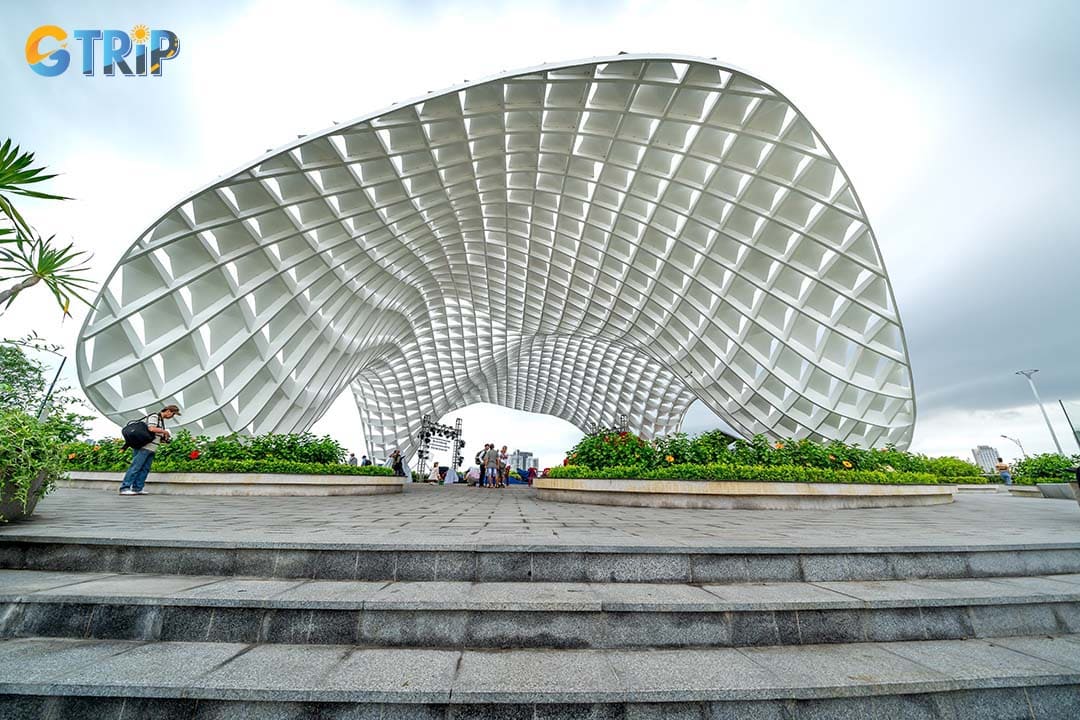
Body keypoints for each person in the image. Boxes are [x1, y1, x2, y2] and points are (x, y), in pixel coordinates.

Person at [119, 404, 181, 496]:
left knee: (145, 469)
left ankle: (137, 488)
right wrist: (165, 432)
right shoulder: (154, 416)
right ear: (168, 411)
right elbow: (151, 428)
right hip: (144, 447)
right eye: (173, 414)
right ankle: (125, 488)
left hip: (152, 448)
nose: (172, 417)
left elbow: (155, 434)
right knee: (135, 467)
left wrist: (163, 438)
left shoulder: (161, 421)